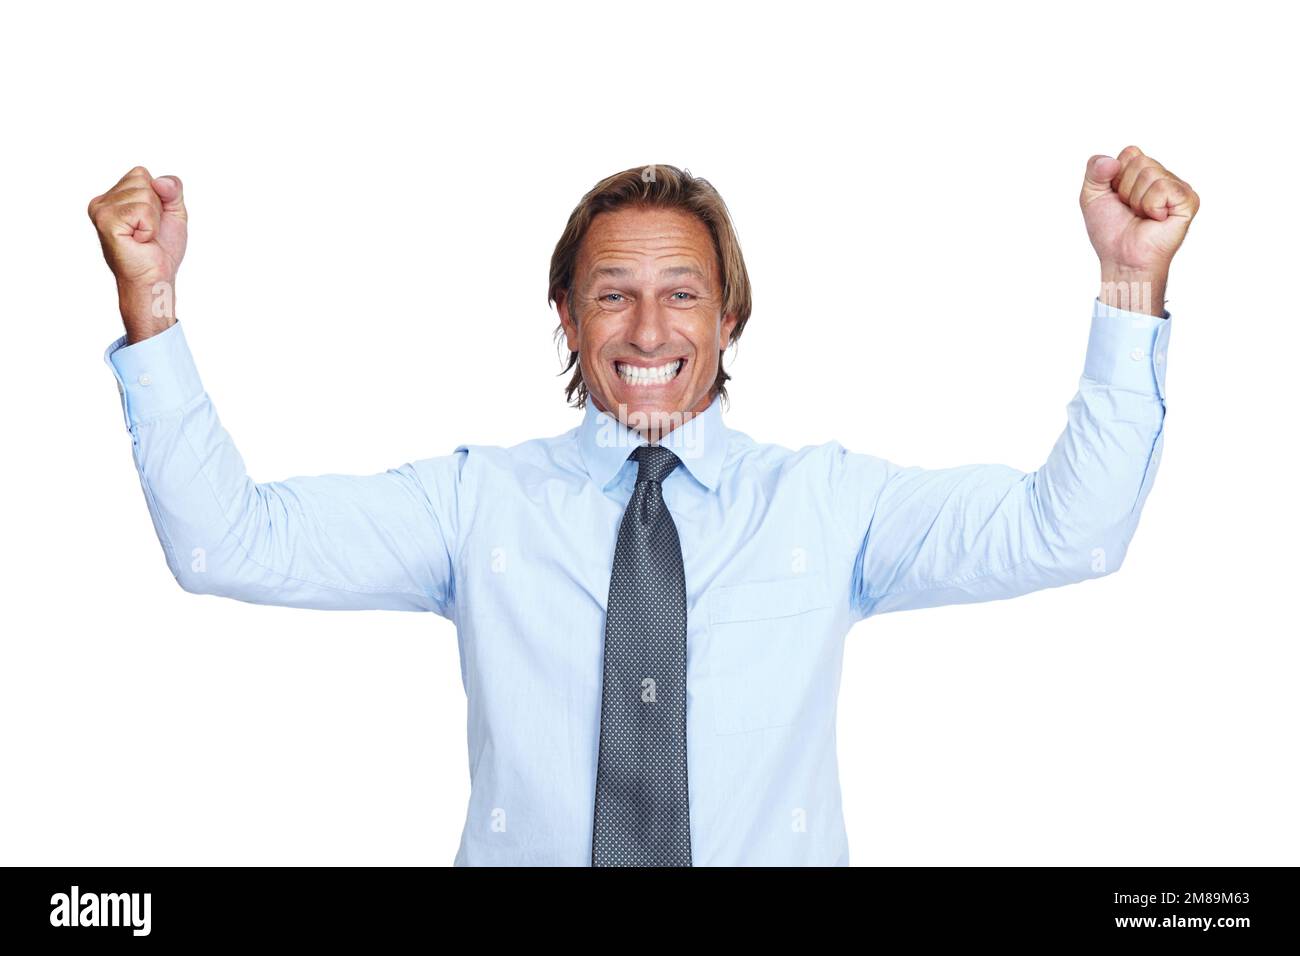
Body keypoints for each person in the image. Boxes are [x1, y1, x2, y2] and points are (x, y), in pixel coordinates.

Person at [87, 151, 1199, 866]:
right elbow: (225, 541)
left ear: (728, 318)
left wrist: (1128, 287)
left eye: (682, 294)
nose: (648, 329)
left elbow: (1074, 530)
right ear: (567, 317)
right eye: (612, 295)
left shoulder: (829, 504)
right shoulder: (477, 504)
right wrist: (153, 307)